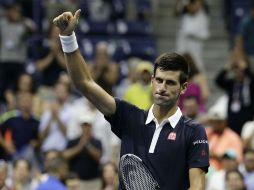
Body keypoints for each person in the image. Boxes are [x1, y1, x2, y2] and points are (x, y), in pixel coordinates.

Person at [53, 9, 209, 190]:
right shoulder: (130, 117)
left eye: (170, 83)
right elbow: (84, 83)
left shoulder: (194, 132)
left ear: (183, 87)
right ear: (152, 81)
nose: (162, 87)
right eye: (159, 80)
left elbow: (197, 186)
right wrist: (67, 37)